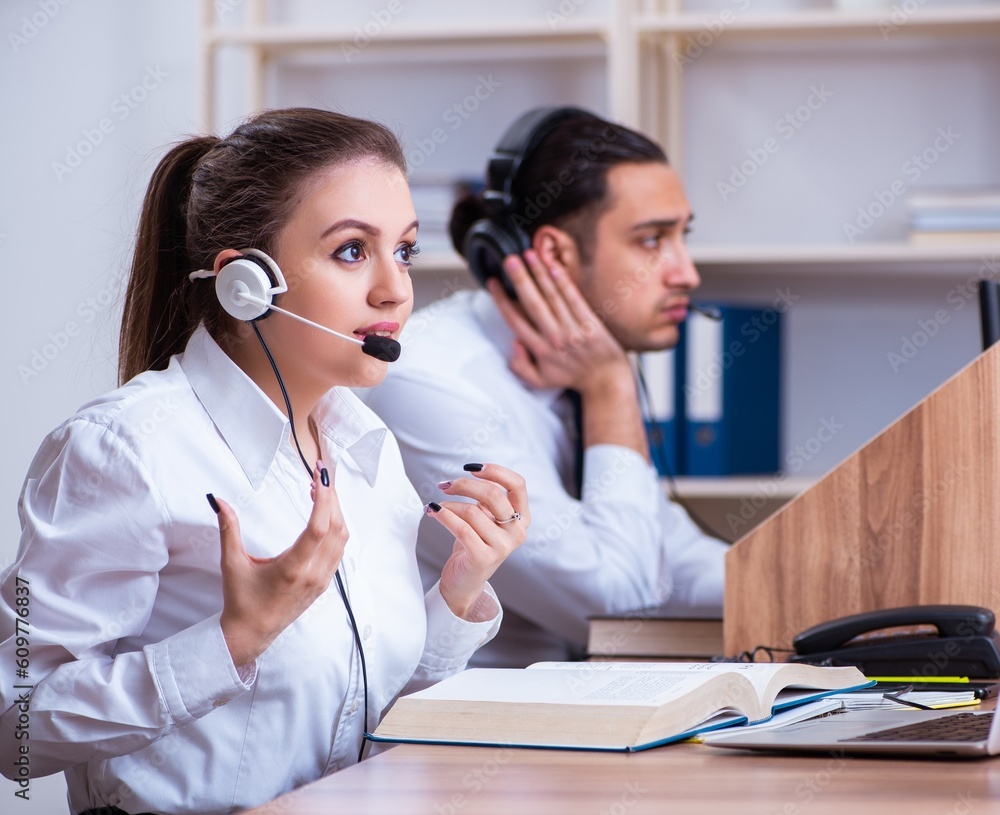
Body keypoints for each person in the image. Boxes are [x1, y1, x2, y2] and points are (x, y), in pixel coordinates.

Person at [0, 107, 528, 815]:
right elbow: (16, 732)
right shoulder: (123, 449)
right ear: (244, 282)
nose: (394, 289)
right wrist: (230, 641)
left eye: (402, 250)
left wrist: (458, 593)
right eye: (350, 251)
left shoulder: (362, 448)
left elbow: (361, 717)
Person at [363, 107, 727, 668]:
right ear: (555, 253)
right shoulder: (431, 385)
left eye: (683, 236)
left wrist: (827, 591)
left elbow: (675, 560)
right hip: (460, 737)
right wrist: (611, 390)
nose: (687, 273)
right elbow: (615, 610)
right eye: (652, 240)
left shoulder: (573, 369)